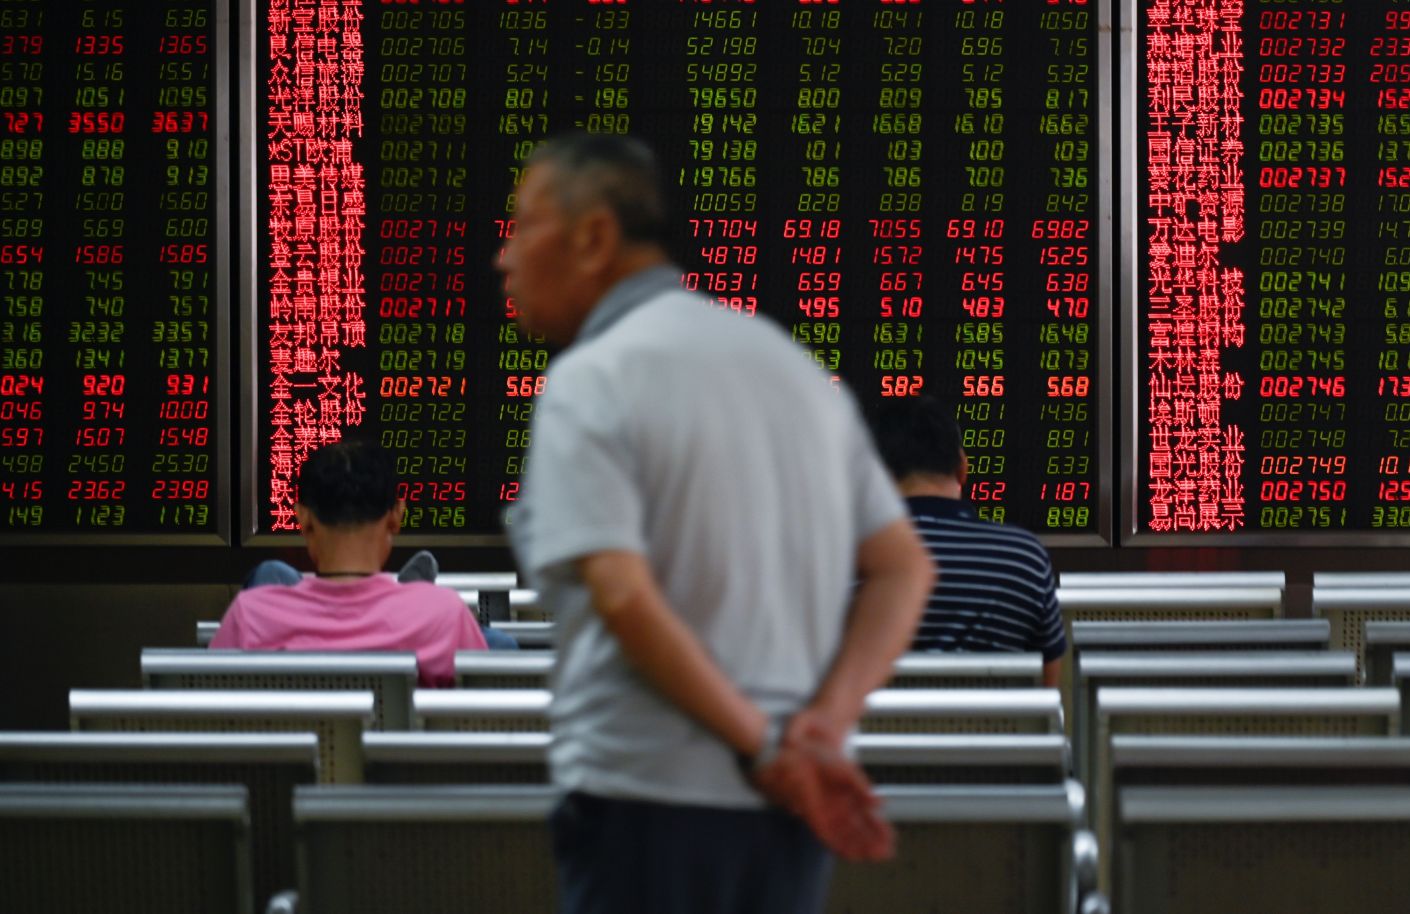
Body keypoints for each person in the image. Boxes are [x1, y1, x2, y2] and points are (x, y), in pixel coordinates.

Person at [497, 132, 935, 914]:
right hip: (793, 807)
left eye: (524, 226)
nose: (505, 258)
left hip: (646, 798)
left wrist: (765, 747)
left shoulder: (593, 379)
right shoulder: (791, 367)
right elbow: (904, 566)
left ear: (594, 235)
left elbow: (623, 596)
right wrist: (821, 728)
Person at [211, 440, 488, 686]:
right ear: (396, 516)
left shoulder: (251, 615)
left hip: (284, 744)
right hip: (400, 744)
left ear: (303, 518)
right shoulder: (444, 615)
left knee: (270, 572)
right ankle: (404, 590)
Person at [867, 396, 1067, 686]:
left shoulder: (846, 562)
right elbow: (1050, 693)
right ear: (962, 467)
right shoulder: (1023, 558)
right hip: (998, 731)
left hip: (871, 732)